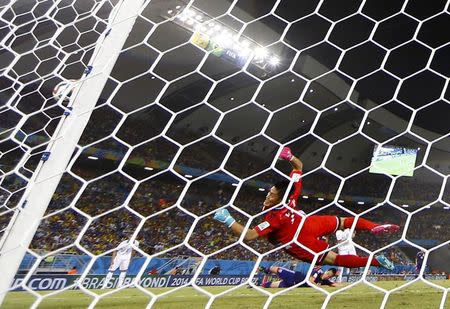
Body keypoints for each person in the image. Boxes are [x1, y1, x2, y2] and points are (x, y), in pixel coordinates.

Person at [213, 147, 399, 270]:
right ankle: (372, 226)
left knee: (334, 259)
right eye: (269, 192)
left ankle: (375, 259)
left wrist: (227, 219)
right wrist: (289, 157)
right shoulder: (291, 192)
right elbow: (299, 165)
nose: (268, 195)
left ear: (280, 198)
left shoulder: (274, 218)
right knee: (342, 221)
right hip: (307, 223)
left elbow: (250, 235)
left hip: (298, 241)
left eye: (272, 194)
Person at [259, 265, 338, 288]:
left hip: (293, 284)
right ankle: (264, 269)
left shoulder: (325, 281)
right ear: (326, 271)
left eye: (329, 276)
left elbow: (333, 284)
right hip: (294, 276)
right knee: (277, 269)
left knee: (270, 285)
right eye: (328, 274)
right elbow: (310, 280)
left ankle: (260, 284)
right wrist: (316, 285)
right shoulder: (318, 271)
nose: (327, 276)